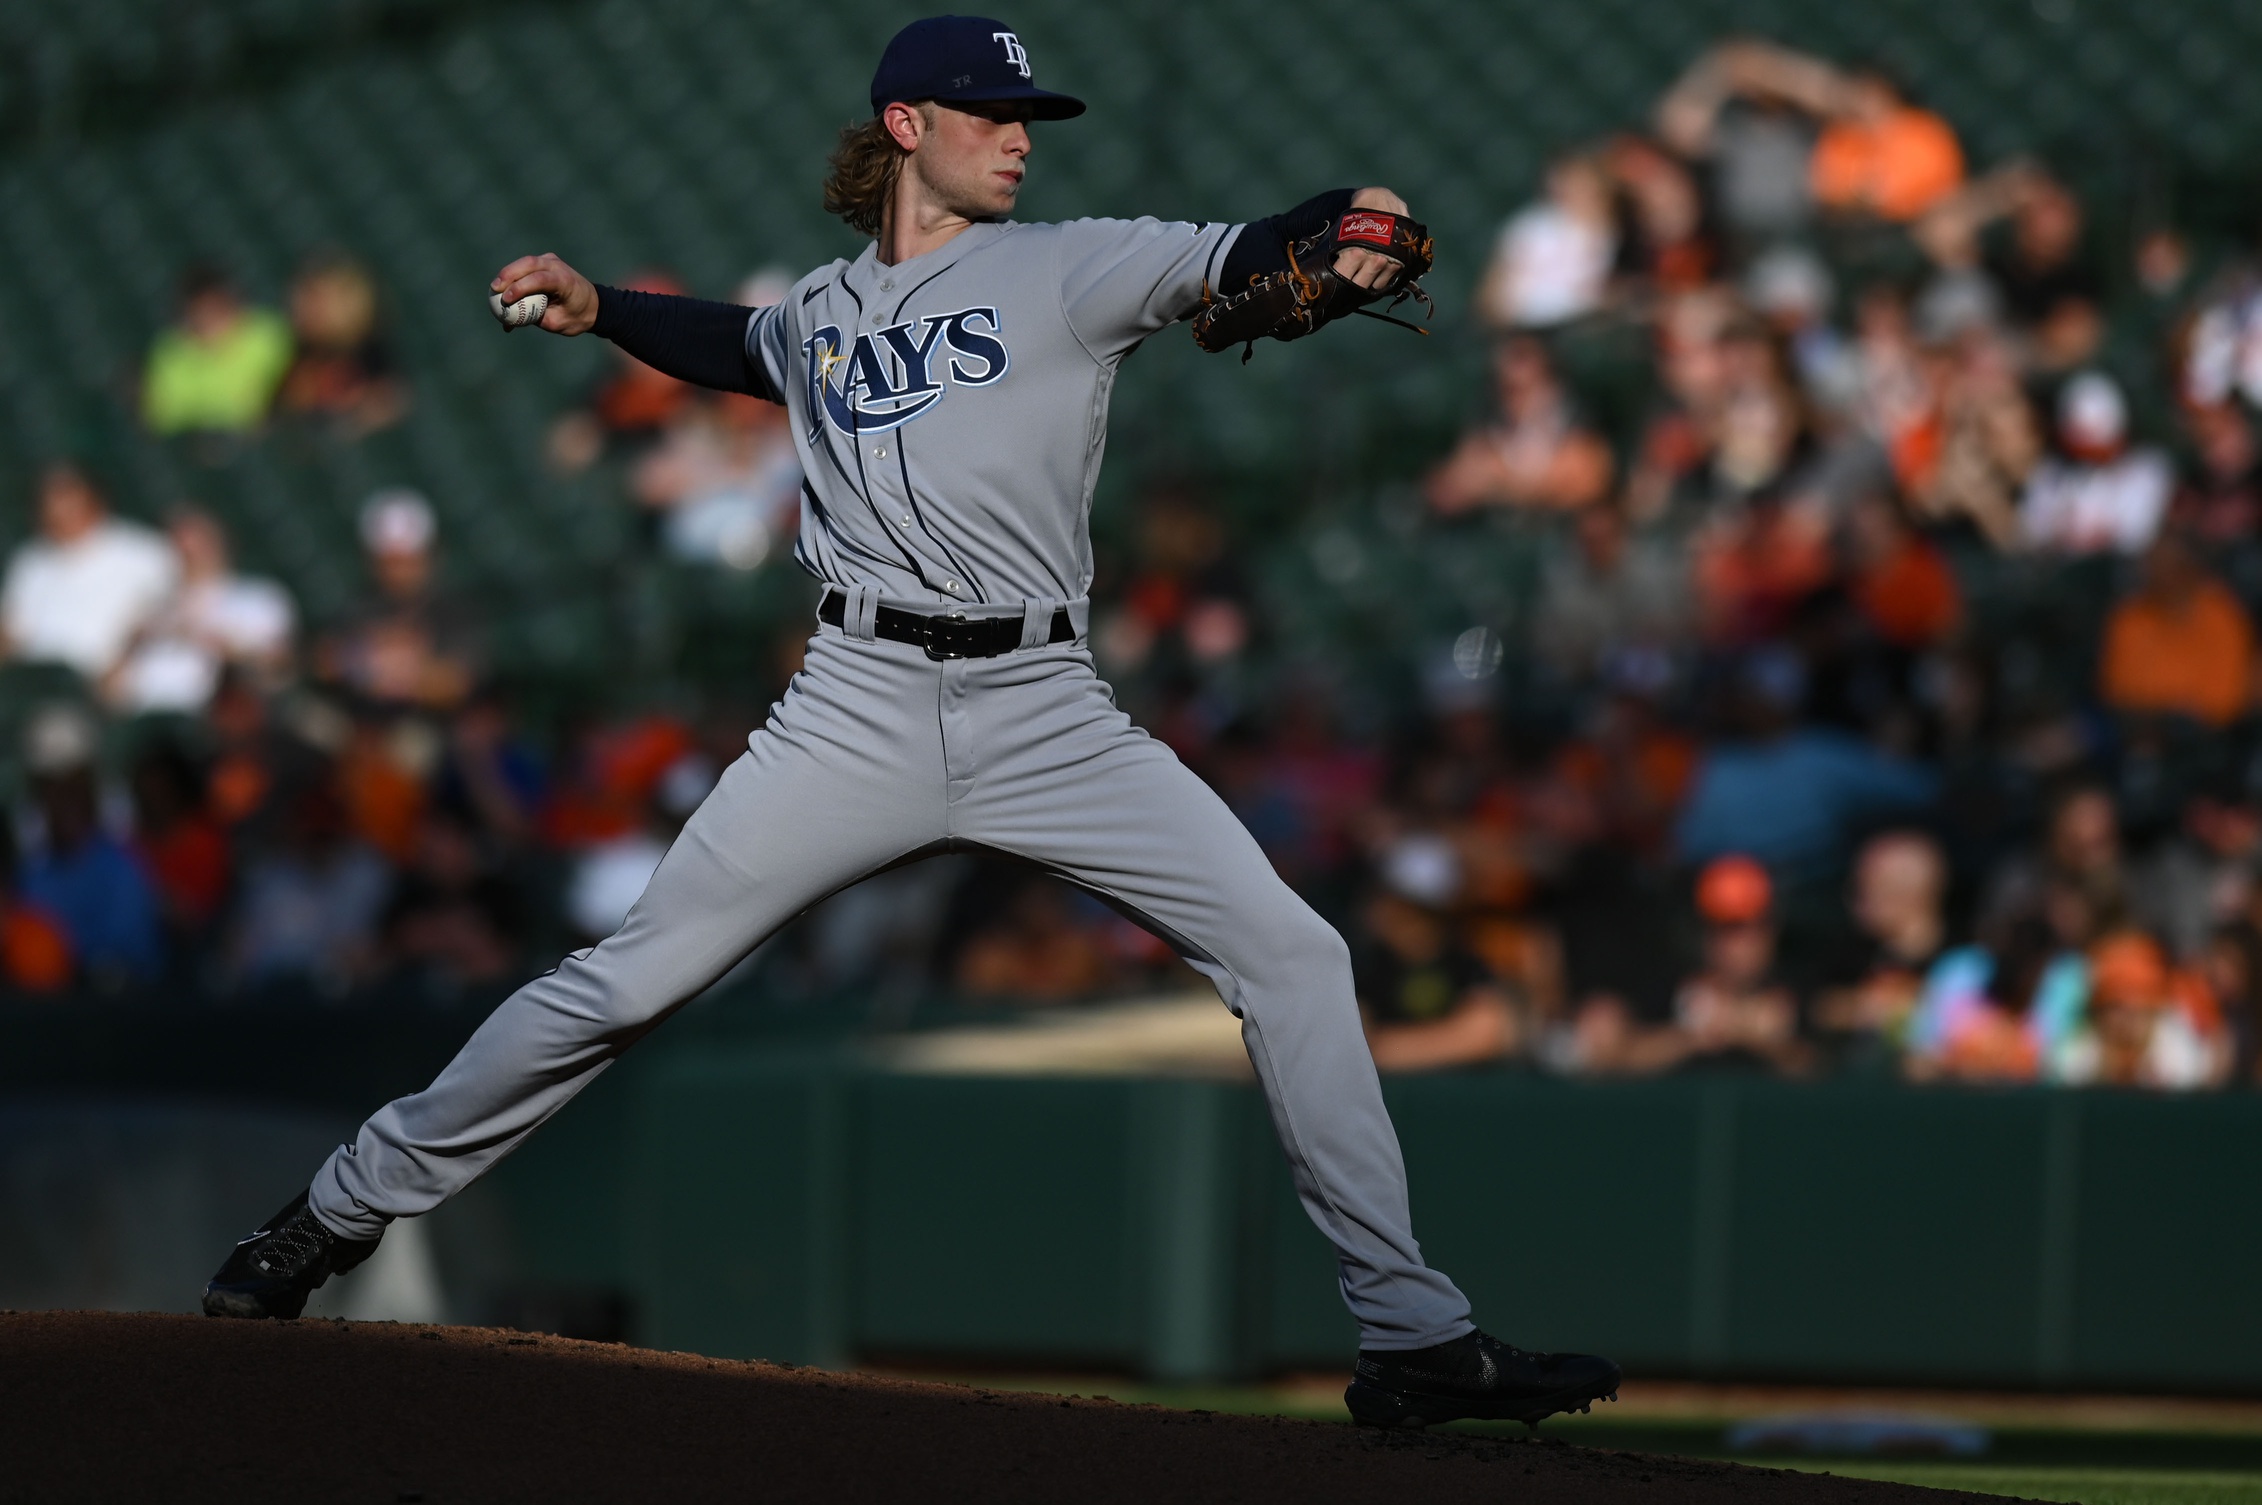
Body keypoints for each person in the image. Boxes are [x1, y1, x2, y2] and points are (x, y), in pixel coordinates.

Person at [201, 16, 1620, 1430]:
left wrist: (1357, 218)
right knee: (625, 982)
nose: (1019, 135)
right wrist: (605, 307)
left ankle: (1410, 1333)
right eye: (989, 111)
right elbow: (745, 347)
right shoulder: (820, 309)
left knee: (1292, 953)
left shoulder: (1068, 264)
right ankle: (329, 1217)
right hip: (855, 706)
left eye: (1027, 118)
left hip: (1047, 704)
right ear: (904, 128)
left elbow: (1255, 246)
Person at [1, 463, 179, 682]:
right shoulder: (30, 559)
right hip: (35, 684)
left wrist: (123, 665)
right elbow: (11, 633)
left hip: (110, 684)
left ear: (95, 503)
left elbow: (162, 619)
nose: (59, 513)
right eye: (50, 505)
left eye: (69, 503)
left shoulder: (143, 552)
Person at [107, 508, 296, 713]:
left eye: (199, 542)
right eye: (180, 544)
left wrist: (222, 646)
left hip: (233, 713)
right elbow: (111, 693)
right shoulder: (144, 604)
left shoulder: (261, 598)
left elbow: (280, 672)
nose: (191, 551)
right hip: (157, 722)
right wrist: (136, 641)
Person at [2098, 531, 2255, 728]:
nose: (2148, 571)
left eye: (2162, 564)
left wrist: (2168, 710)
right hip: (2131, 729)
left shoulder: (2222, 616)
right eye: (2149, 563)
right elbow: (2118, 688)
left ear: (2187, 569)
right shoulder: (2129, 616)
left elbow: (2223, 701)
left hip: (2204, 740)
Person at [2018, 373, 2172, 555]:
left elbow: (2137, 536)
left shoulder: (2148, 468)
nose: (2085, 451)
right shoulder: (2051, 473)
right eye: (2078, 441)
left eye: (2092, 441)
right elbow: (2029, 530)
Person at [140, 266, 294, 436]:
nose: (211, 321)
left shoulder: (268, 332)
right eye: (201, 312)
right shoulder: (169, 356)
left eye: (216, 309)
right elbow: (161, 418)